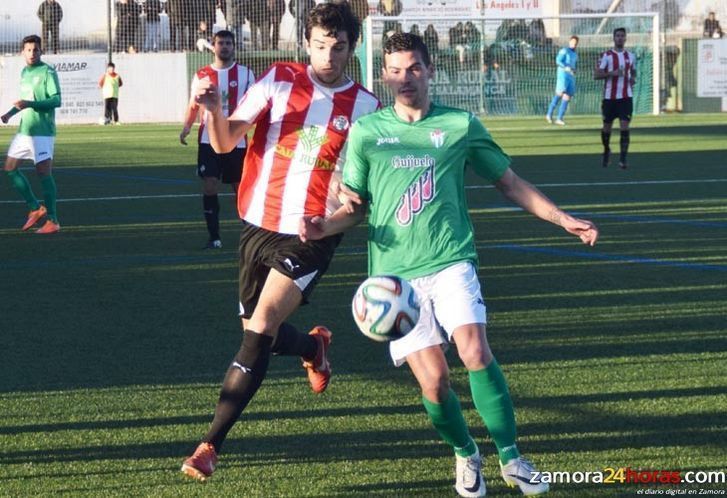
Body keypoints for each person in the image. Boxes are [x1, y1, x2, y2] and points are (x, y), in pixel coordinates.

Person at [299, 32, 599, 498]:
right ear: (383, 73)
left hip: (450, 259)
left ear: (430, 69)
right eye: (395, 71)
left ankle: (512, 457)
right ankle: (465, 453)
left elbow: (508, 182)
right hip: (394, 279)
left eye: (413, 69)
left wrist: (562, 218)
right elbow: (355, 206)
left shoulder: (459, 125)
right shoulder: (368, 132)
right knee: (436, 384)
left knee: (475, 352)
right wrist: (323, 227)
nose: (404, 79)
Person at [179, 3, 380, 481]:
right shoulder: (276, 80)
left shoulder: (368, 109)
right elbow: (227, 142)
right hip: (256, 224)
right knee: (258, 332)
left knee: (261, 324)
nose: (328, 56)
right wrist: (212, 110)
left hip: (311, 232)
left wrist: (337, 217)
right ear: (305, 44)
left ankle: (210, 444)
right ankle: (313, 347)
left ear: (353, 48)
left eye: (338, 47)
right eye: (319, 45)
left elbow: (363, 198)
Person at [180, 30, 254, 249]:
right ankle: (214, 237)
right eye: (220, 43)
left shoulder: (246, 74)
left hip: (237, 139)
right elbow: (193, 104)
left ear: (234, 47)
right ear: (213, 47)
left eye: (228, 43)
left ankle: (251, 236)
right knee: (210, 185)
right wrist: (186, 127)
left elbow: (257, 105)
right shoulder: (202, 74)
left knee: (240, 188)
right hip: (207, 140)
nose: (224, 47)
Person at [1, 35, 62, 234]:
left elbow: (56, 101)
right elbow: (25, 101)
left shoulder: (48, 71)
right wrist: (9, 114)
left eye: (36, 49)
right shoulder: (24, 72)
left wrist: (30, 104)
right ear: (22, 52)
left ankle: (52, 220)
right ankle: (35, 208)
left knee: (44, 173)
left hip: (42, 132)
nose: (32, 53)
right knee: (10, 168)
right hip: (25, 130)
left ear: (41, 51)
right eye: (28, 50)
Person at [594, 27, 636, 169]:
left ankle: (623, 160)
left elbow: (634, 71)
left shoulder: (631, 56)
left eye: (622, 36)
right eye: (617, 35)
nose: (619, 38)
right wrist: (613, 73)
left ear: (625, 38)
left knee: (624, 126)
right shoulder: (606, 56)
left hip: (625, 98)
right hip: (609, 98)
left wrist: (632, 80)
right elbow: (597, 75)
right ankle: (606, 149)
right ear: (614, 38)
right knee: (607, 127)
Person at [546, 35, 578, 126]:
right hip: (563, 76)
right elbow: (558, 61)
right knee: (559, 94)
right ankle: (549, 114)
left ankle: (559, 118)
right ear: (569, 42)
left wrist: (574, 70)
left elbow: (574, 65)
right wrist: (565, 67)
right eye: (572, 42)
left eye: (575, 43)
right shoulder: (564, 51)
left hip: (570, 77)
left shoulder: (575, 54)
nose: (574, 45)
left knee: (567, 96)